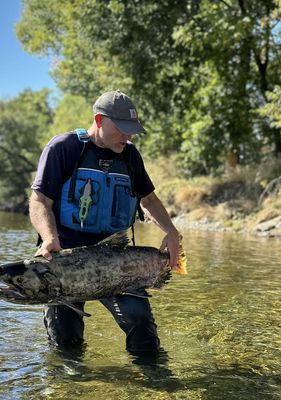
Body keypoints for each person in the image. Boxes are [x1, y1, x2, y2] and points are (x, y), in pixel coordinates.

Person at [29, 90, 181, 355]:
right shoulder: (63, 148)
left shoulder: (130, 155)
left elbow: (149, 200)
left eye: (132, 129)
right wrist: (48, 237)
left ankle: (156, 387)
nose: (128, 135)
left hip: (117, 262)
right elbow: (40, 201)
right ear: (99, 120)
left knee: (143, 330)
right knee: (66, 346)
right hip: (65, 262)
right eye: (122, 128)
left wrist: (171, 232)